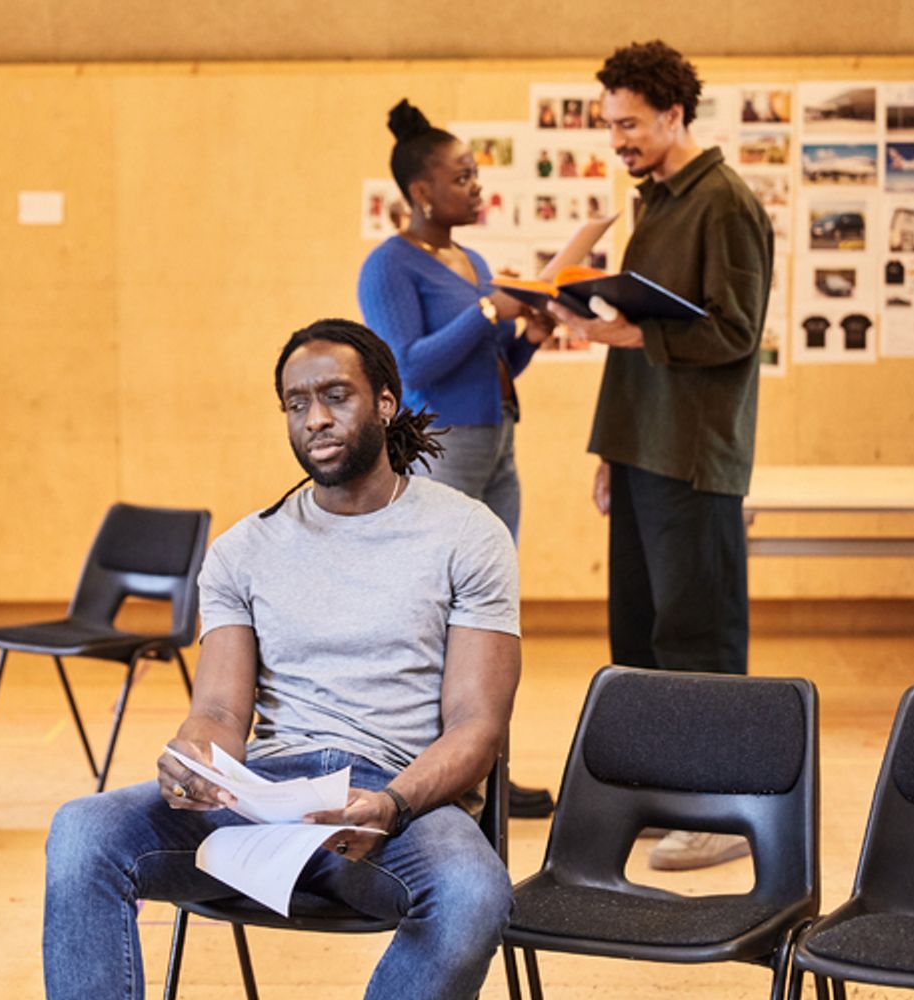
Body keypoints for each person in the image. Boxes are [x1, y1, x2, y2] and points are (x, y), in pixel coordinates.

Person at [43, 319, 520, 1000]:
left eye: (336, 396)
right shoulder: (244, 549)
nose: (315, 419)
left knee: (474, 892)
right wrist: (192, 760)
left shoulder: (467, 535)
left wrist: (389, 804)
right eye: (297, 404)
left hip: (396, 802)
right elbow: (218, 710)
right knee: (83, 830)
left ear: (385, 403)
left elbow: (477, 725)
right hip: (266, 799)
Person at [546, 40, 773, 871]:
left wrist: (638, 330)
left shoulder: (727, 205)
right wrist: (610, 449)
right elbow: (635, 344)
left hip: (695, 457)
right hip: (642, 450)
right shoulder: (656, 203)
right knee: (637, 634)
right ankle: (656, 798)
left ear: (676, 114)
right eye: (610, 125)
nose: (618, 140)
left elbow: (736, 334)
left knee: (698, 639)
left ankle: (720, 813)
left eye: (630, 124)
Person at [358, 99, 555, 819]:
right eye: (463, 177)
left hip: (497, 440)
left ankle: (493, 767)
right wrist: (485, 313)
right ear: (421, 192)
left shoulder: (469, 260)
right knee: (442, 616)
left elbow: (491, 362)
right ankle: (442, 775)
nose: (477, 188)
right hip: (444, 448)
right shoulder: (387, 267)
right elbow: (409, 367)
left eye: (476, 176)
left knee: (491, 614)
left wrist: (527, 332)